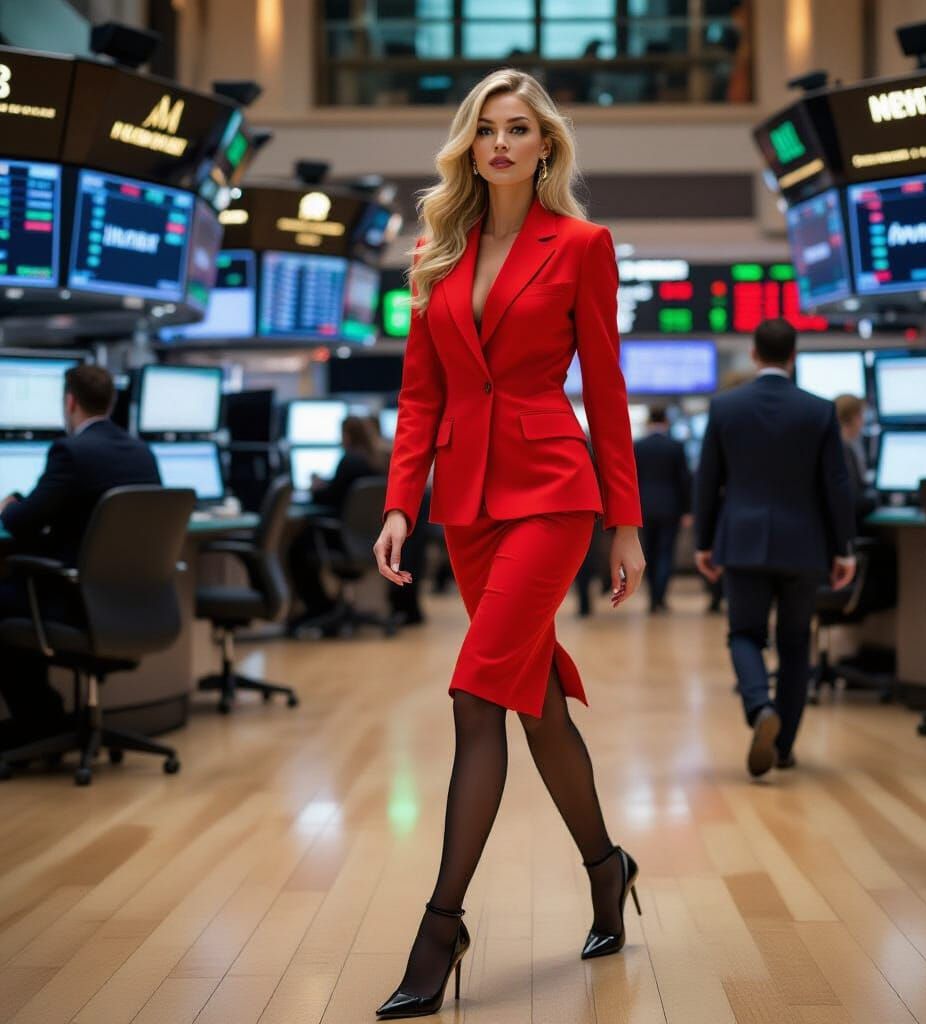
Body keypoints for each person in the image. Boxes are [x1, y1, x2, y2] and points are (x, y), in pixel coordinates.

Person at [371, 68, 646, 1020]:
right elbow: (421, 394)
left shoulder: (580, 246)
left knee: (475, 693)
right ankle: (608, 868)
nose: (498, 143)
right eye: (485, 128)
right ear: (469, 142)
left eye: (517, 129)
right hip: (466, 503)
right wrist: (401, 502)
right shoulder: (437, 251)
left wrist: (626, 522)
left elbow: (607, 391)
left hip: (553, 495)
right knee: (533, 707)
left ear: (544, 147)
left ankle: (441, 926)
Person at [694, 319, 855, 778]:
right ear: (794, 355)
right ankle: (783, 747)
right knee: (795, 644)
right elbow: (837, 486)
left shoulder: (725, 407)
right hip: (804, 546)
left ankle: (760, 708)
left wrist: (704, 542)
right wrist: (843, 550)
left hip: (742, 542)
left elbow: (709, 480)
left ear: (753, 353)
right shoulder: (819, 410)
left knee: (744, 634)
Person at [0, 365, 161, 748]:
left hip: (79, 602)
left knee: (6, 600)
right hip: (136, 605)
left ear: (69, 402)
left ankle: (40, 720)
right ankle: (46, 718)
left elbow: (25, 521)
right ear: (112, 401)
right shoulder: (143, 452)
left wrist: (9, 505)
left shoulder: (70, 451)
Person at [287, 415, 383, 626]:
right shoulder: (372, 461)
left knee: (296, 548)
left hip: (342, 539)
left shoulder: (348, 460)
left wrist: (315, 487)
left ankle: (319, 608)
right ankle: (325, 607)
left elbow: (330, 496)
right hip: (367, 541)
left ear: (347, 436)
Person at [633, 405, 692, 612]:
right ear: (666, 421)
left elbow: (632, 480)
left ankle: (651, 599)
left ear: (649, 421)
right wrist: (687, 510)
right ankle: (661, 597)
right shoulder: (675, 446)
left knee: (648, 552)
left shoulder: (638, 446)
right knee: (666, 553)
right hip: (671, 507)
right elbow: (684, 480)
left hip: (644, 508)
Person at [835, 393, 878, 527]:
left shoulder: (835, 445)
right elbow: (853, 500)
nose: (863, 422)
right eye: (861, 416)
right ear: (854, 418)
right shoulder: (843, 449)